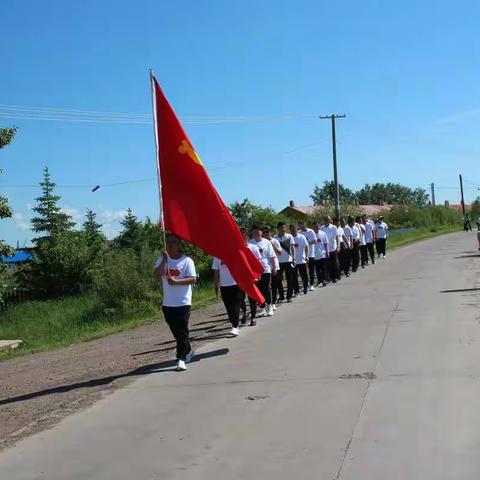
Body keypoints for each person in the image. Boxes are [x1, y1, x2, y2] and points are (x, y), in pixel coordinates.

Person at [154, 234, 197, 372]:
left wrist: (177, 282)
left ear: (178, 244)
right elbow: (156, 276)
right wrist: (164, 262)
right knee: (177, 333)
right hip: (168, 303)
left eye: (173, 242)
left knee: (182, 331)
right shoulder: (162, 259)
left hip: (183, 302)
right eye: (168, 242)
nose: (170, 245)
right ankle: (188, 347)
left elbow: (192, 279)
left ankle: (181, 358)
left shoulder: (187, 261)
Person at [249, 225, 277, 317]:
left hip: (265, 268)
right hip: (254, 271)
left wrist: (274, 267)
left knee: (266, 288)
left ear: (261, 232)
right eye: (254, 232)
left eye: (258, 231)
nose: (256, 233)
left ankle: (269, 306)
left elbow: (272, 255)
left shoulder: (266, 242)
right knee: (258, 290)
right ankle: (262, 308)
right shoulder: (249, 243)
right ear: (252, 233)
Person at [212, 257, 244, 337]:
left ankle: (235, 326)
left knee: (236, 306)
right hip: (224, 286)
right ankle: (233, 323)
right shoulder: (216, 257)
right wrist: (216, 284)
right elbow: (216, 271)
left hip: (236, 284)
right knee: (228, 307)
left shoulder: (234, 253)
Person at [239, 226, 262, 326]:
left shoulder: (253, 247)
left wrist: (257, 276)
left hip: (252, 277)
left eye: (244, 234)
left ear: (247, 236)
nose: (243, 237)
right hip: (239, 277)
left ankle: (253, 317)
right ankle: (244, 312)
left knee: (252, 297)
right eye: (241, 235)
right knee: (240, 298)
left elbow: (258, 262)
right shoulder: (236, 249)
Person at [274, 222, 295, 303]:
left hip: (288, 260)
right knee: (278, 280)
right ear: (278, 228)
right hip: (279, 262)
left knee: (290, 279)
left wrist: (294, 258)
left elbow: (293, 248)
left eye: (284, 227)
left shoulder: (289, 236)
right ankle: (281, 296)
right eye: (282, 227)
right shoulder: (275, 238)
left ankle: (289, 296)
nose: (283, 229)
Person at [262, 226, 282, 310]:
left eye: (267, 232)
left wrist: (272, 244)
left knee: (274, 285)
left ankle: (273, 303)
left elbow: (280, 253)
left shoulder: (275, 241)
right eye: (264, 232)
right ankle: (267, 303)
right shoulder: (262, 242)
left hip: (274, 266)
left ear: (270, 232)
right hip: (265, 267)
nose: (266, 234)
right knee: (266, 287)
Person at [289, 224, 309, 295]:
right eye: (291, 229)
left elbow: (306, 247)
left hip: (302, 260)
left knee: (304, 275)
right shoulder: (289, 238)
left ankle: (305, 286)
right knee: (294, 277)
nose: (293, 230)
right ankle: (296, 291)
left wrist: (307, 256)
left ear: (296, 229)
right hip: (293, 261)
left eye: (294, 229)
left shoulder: (302, 237)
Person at [298, 220, 317, 291]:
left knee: (311, 270)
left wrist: (306, 243)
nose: (301, 225)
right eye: (300, 224)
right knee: (303, 271)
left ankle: (312, 284)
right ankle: (306, 283)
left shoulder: (310, 231)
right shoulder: (299, 233)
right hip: (302, 255)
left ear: (305, 224)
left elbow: (315, 241)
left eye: (302, 223)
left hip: (311, 254)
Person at [321, 216, 340, 283]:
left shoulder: (333, 227)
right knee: (327, 264)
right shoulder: (321, 228)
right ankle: (328, 278)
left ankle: (334, 278)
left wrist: (338, 246)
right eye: (325, 220)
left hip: (333, 248)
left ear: (329, 220)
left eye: (327, 220)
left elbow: (337, 237)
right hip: (325, 249)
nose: (326, 221)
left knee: (334, 264)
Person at [312, 220, 329, 287]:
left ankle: (324, 280)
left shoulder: (323, 233)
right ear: (312, 227)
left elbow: (326, 243)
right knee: (317, 269)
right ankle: (319, 281)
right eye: (314, 226)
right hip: (315, 255)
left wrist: (327, 251)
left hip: (322, 254)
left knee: (323, 268)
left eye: (317, 226)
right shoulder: (311, 234)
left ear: (319, 226)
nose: (316, 227)